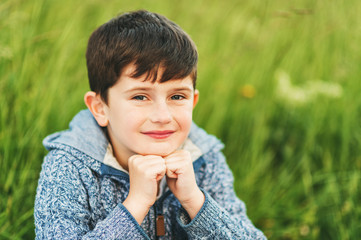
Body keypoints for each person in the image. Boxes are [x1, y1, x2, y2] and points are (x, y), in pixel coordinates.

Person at [34, 10, 266, 239]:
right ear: (99, 107)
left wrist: (195, 201)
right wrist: (135, 206)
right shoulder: (69, 166)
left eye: (177, 97)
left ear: (193, 102)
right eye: (140, 97)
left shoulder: (203, 159)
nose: (162, 116)